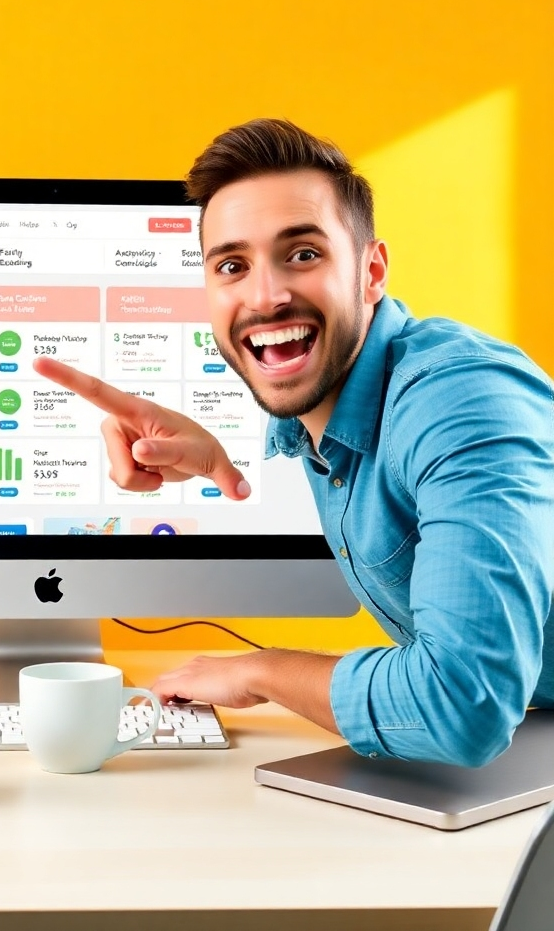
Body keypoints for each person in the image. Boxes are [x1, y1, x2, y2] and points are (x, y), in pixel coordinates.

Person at [34, 119, 554, 766]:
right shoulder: (329, 402)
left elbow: (461, 704)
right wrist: (213, 447)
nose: (267, 296)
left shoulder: (460, 400)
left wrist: (263, 671)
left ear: (371, 272)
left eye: (302, 254)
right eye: (232, 265)